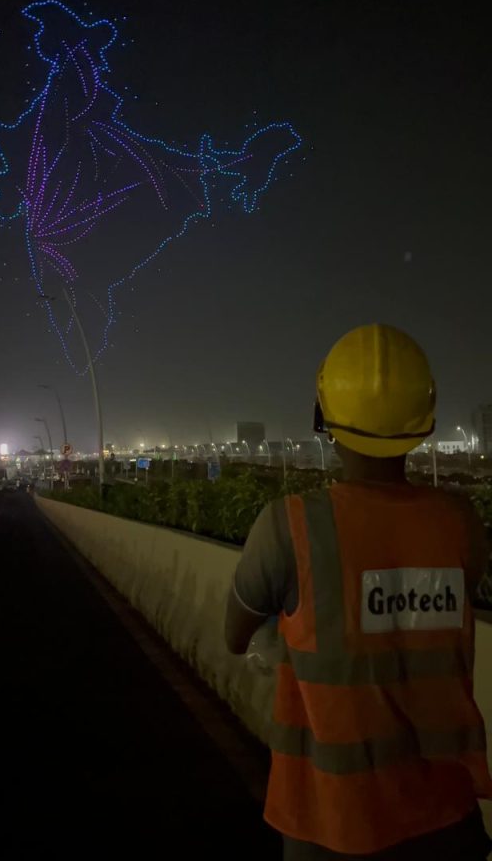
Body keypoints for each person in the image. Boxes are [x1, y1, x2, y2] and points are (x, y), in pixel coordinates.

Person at [225, 323, 492, 860]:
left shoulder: (289, 528)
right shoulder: (461, 525)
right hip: (446, 821)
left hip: (330, 826)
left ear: (323, 416)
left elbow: (235, 635)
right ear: (425, 422)